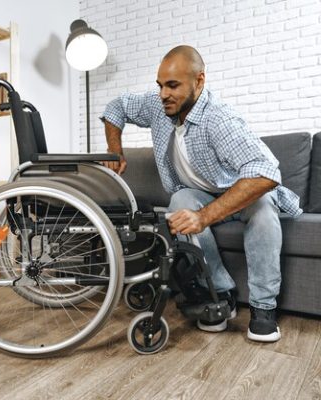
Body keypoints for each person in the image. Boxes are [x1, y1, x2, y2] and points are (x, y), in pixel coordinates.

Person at [101, 45, 301, 343]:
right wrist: (114, 150)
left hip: (243, 193)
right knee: (179, 202)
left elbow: (265, 173)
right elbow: (116, 107)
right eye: (160, 85)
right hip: (200, 194)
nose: (163, 94)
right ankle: (219, 295)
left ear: (199, 81)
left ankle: (263, 308)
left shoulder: (218, 119)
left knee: (262, 213)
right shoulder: (160, 107)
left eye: (173, 85)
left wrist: (204, 217)